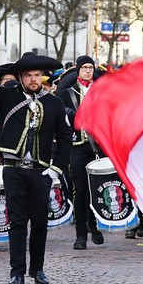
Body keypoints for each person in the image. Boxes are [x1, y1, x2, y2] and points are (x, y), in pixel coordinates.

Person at [0, 52, 71, 284]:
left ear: (42, 77)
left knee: (39, 223)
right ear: (21, 77)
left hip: (41, 171)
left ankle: (38, 269)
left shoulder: (54, 102)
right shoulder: (8, 97)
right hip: (13, 169)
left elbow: (65, 139)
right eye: (28, 76)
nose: (33, 79)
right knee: (16, 222)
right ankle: (17, 272)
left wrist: (56, 169)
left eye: (37, 75)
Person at [60, 56, 104, 250]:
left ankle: (93, 225)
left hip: (98, 146)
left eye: (90, 67)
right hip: (77, 146)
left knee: (95, 188)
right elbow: (61, 117)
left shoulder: (102, 92)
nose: (88, 71)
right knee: (79, 190)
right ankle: (80, 234)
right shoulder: (67, 93)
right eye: (84, 67)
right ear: (78, 70)